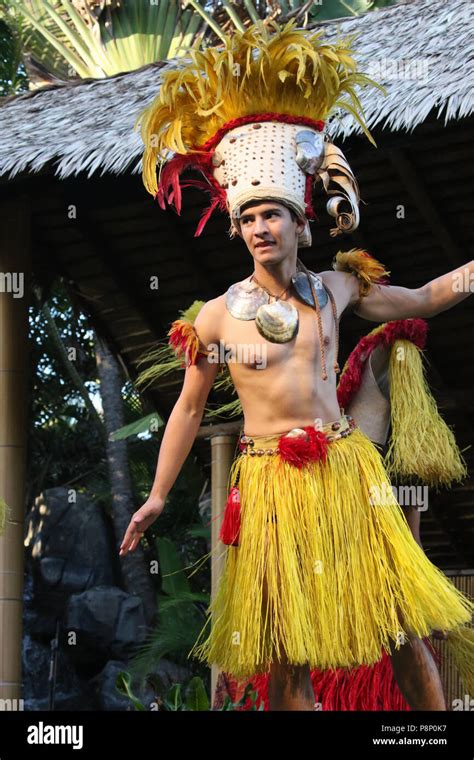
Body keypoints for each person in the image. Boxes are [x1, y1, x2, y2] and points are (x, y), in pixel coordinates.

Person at [119, 21, 473, 710]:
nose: (260, 228)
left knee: (400, 627)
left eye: (273, 215)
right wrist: (159, 495)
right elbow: (189, 410)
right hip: (270, 481)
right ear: (235, 226)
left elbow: (426, 298)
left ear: (299, 221)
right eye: (249, 217)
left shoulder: (338, 286)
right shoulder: (216, 317)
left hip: (345, 474)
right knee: (284, 652)